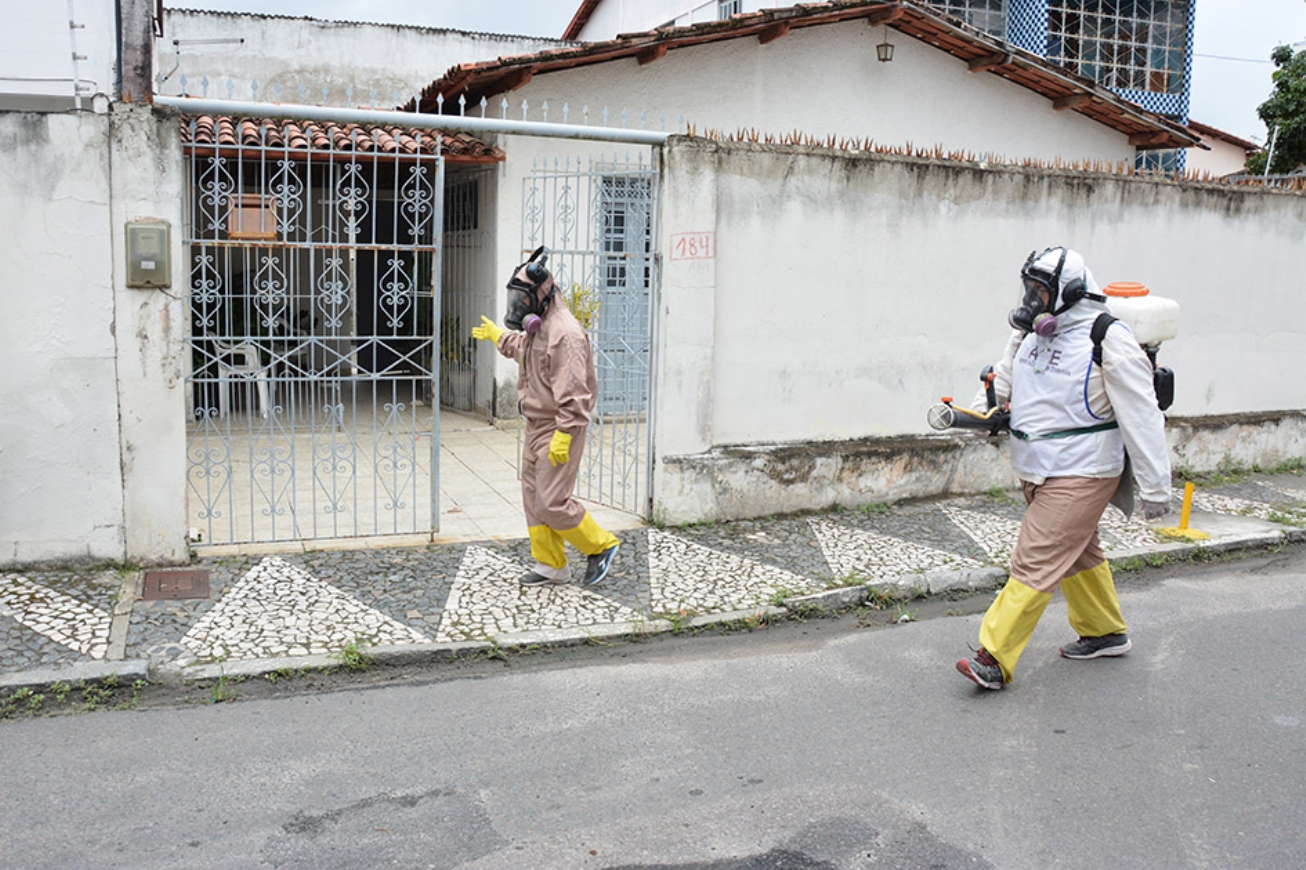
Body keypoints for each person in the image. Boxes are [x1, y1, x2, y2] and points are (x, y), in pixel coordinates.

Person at [956, 246, 1172, 691]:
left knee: (1035, 556)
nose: (1032, 299)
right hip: (1037, 468)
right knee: (1078, 550)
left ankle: (994, 657)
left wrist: (1156, 489)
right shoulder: (1030, 334)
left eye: (1041, 290)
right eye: (1029, 288)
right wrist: (983, 415)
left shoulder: (1107, 338)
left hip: (1084, 470)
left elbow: (1142, 415)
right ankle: (1104, 632)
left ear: (1070, 291)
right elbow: (1002, 380)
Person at [471, 247, 621, 587]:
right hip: (535, 425)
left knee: (552, 501)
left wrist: (564, 434)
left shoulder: (565, 335)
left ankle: (601, 546)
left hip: (558, 427)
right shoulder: (538, 328)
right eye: (515, 298)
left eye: (523, 298)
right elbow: (524, 349)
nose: (518, 306)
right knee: (533, 497)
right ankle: (551, 566)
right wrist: (497, 336)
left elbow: (575, 394)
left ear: (542, 294)